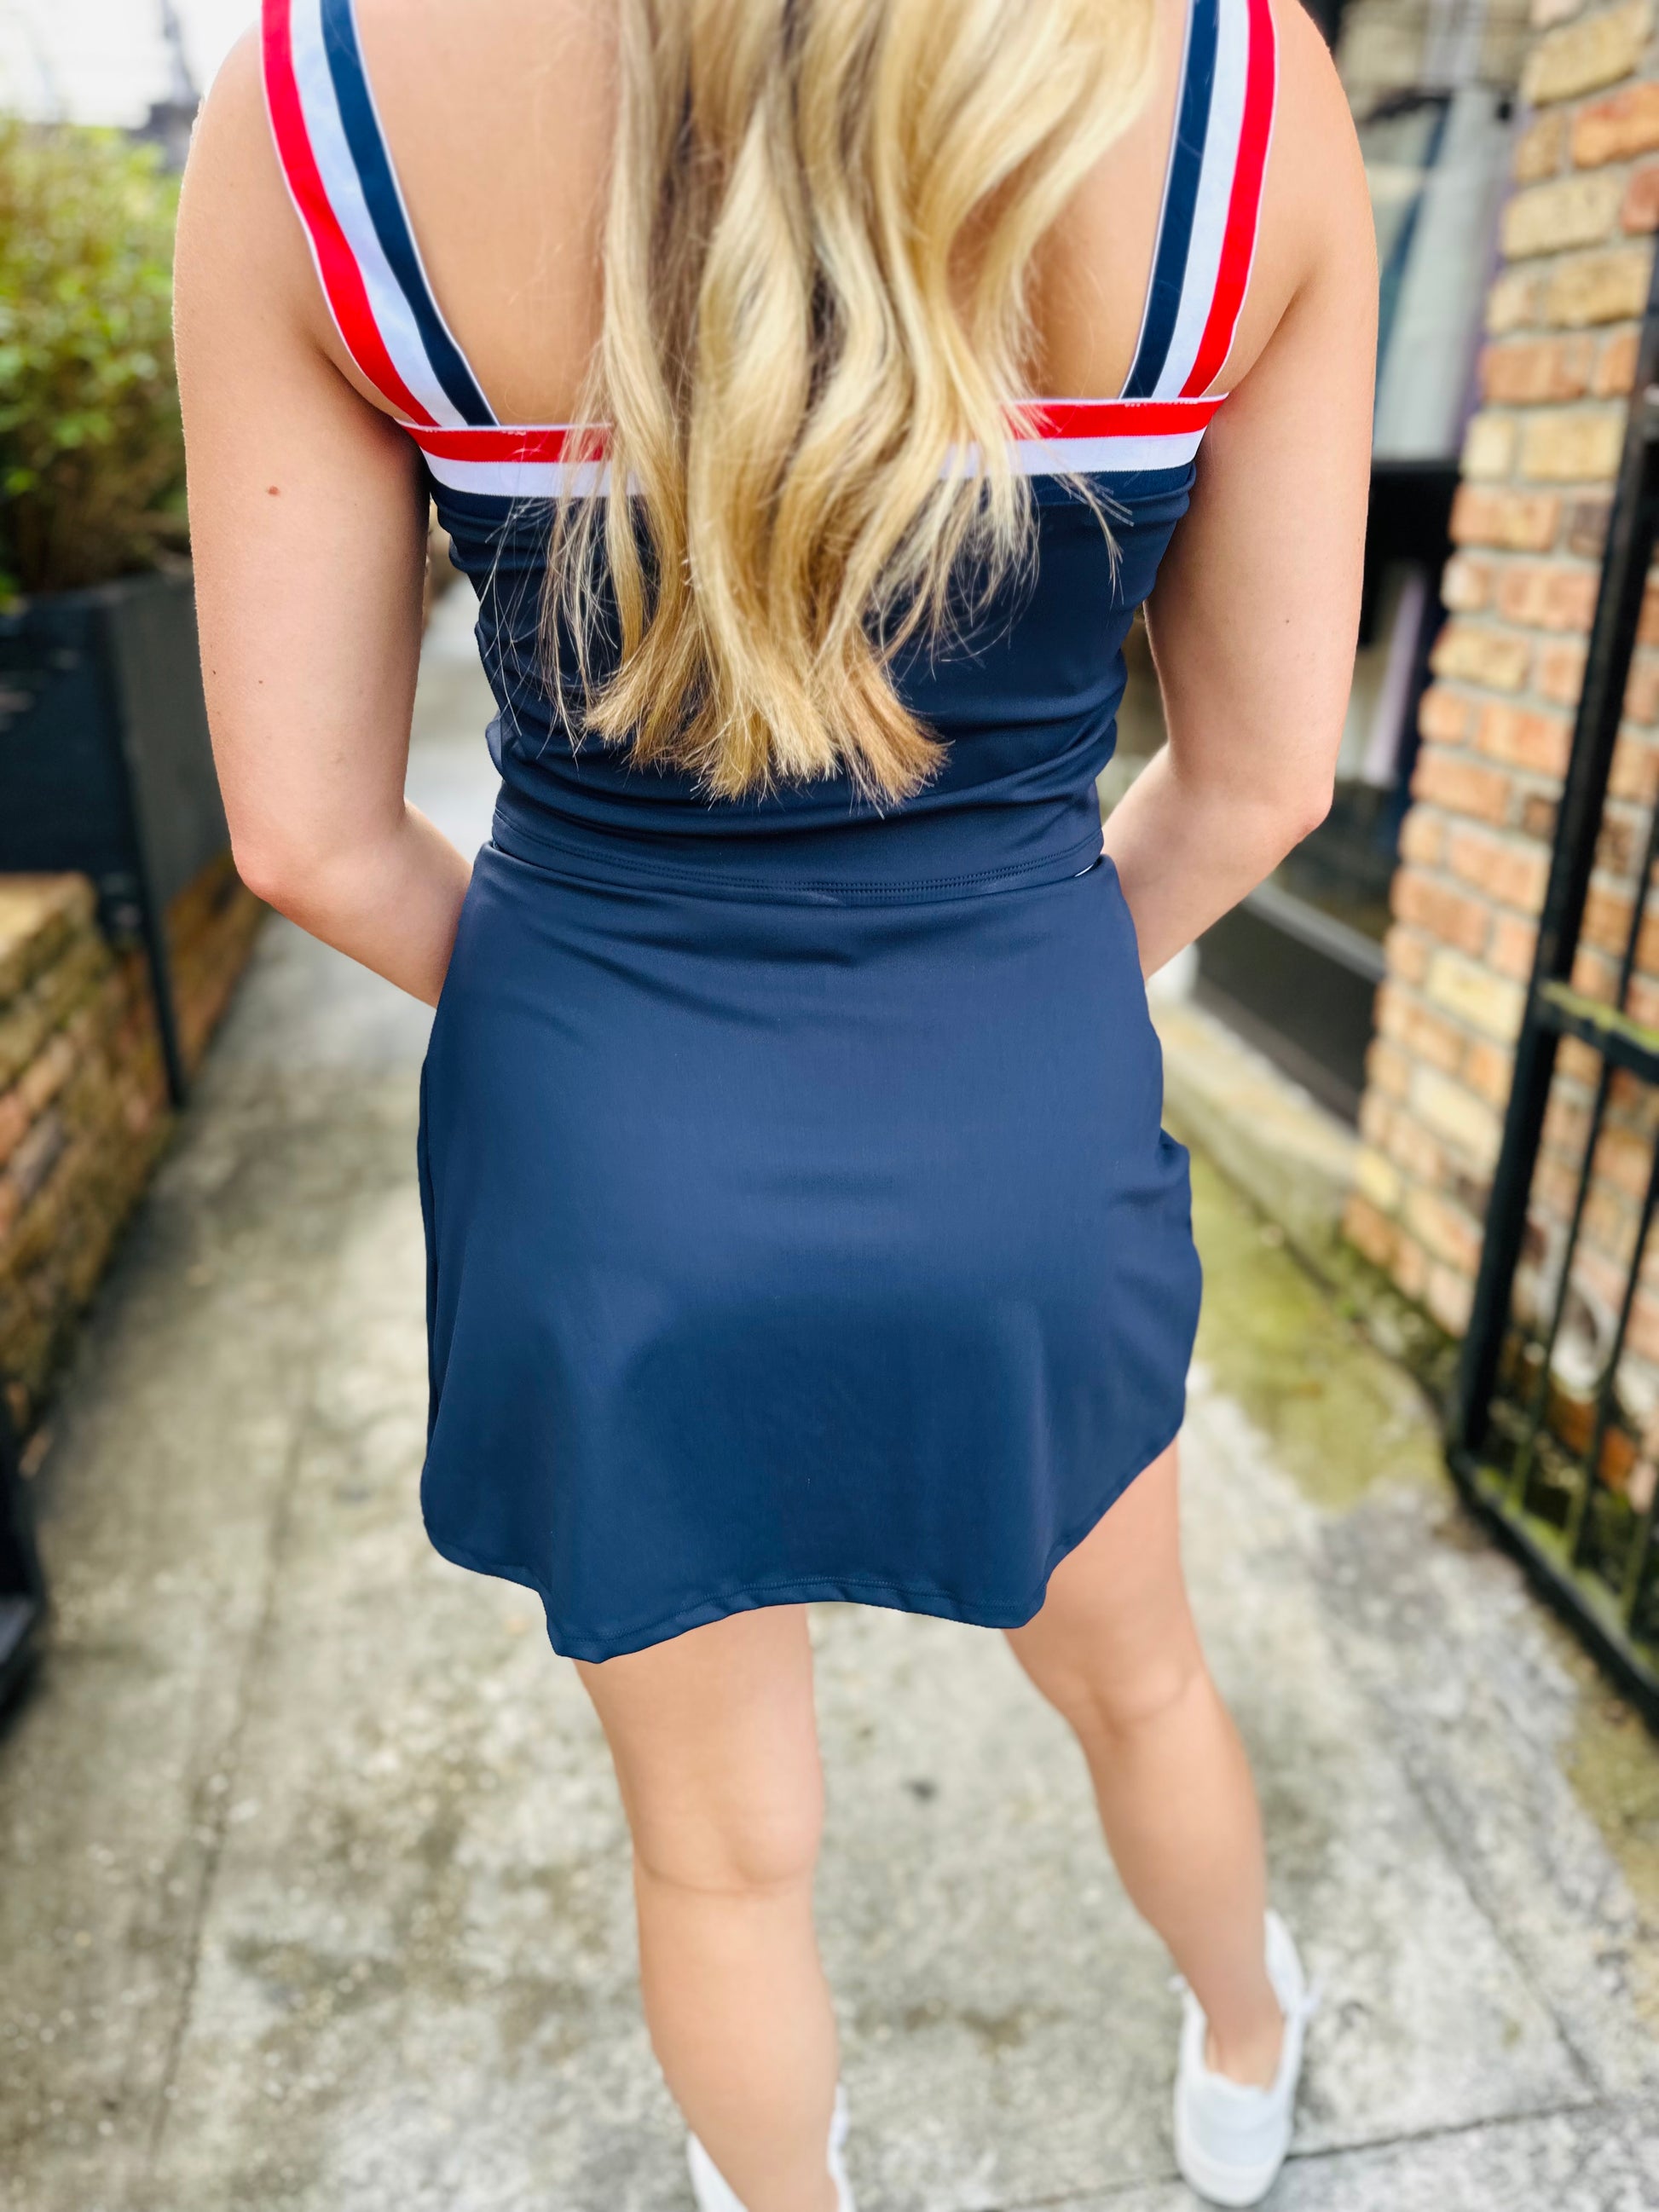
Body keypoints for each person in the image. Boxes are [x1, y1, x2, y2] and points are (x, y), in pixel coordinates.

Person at [175, 0, 1373, 2203]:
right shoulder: (1232, 79)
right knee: (1138, 1682)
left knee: (717, 1851)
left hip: (605, 1175)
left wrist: (611, 1031)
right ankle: (1242, 2040)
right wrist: (1007, 1010)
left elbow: (307, 839)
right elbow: (1264, 780)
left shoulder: (316, 99)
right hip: (1019, 1136)